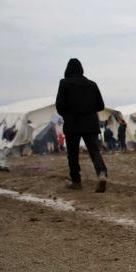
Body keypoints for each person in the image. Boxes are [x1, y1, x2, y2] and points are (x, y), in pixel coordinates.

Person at [55, 58, 107, 192]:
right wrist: (89, 110)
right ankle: (101, 174)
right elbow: (100, 106)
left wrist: (68, 115)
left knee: (73, 154)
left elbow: (59, 106)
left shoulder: (64, 83)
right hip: (90, 124)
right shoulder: (92, 84)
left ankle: (76, 181)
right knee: (94, 151)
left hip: (72, 124)